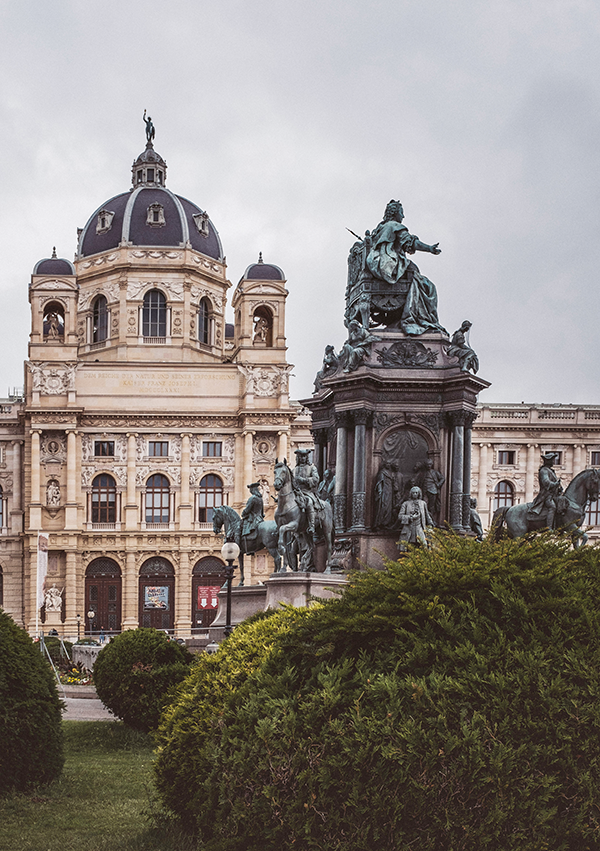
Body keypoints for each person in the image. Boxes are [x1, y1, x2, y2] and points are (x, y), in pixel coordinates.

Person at [365, 200, 447, 335]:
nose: (403, 216)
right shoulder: (394, 226)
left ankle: (401, 319)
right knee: (428, 287)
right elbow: (410, 243)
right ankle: (421, 318)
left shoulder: (379, 229)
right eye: (401, 213)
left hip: (378, 268)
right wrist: (429, 248)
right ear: (396, 213)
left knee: (416, 273)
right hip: (390, 268)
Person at [528, 452, 565, 529]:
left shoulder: (550, 471)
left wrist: (559, 488)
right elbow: (546, 482)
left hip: (553, 495)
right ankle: (549, 528)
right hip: (546, 495)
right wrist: (555, 484)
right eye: (552, 460)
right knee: (552, 507)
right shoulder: (544, 470)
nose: (553, 462)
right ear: (548, 461)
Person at [292, 448, 322, 534]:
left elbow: (316, 479)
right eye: (300, 456)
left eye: (304, 456)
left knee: (308, 502)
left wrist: (304, 480)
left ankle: (312, 525)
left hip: (307, 492)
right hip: (296, 492)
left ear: (307, 457)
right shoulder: (294, 470)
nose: (302, 458)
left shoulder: (312, 468)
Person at [241, 482, 265, 552]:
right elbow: (262, 512)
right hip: (260, 519)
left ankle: (243, 546)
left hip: (253, 520)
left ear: (253, 490)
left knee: (240, 528)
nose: (250, 491)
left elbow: (247, 509)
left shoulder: (252, 498)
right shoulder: (260, 499)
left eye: (251, 489)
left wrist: (243, 513)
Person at [373, 461, 396, 530]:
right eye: (387, 464)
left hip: (390, 491)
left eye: (389, 464)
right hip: (384, 491)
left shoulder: (391, 473)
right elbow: (380, 481)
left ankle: (387, 523)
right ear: (385, 465)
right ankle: (380, 523)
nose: (388, 465)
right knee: (383, 506)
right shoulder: (382, 472)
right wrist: (380, 490)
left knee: (389, 507)